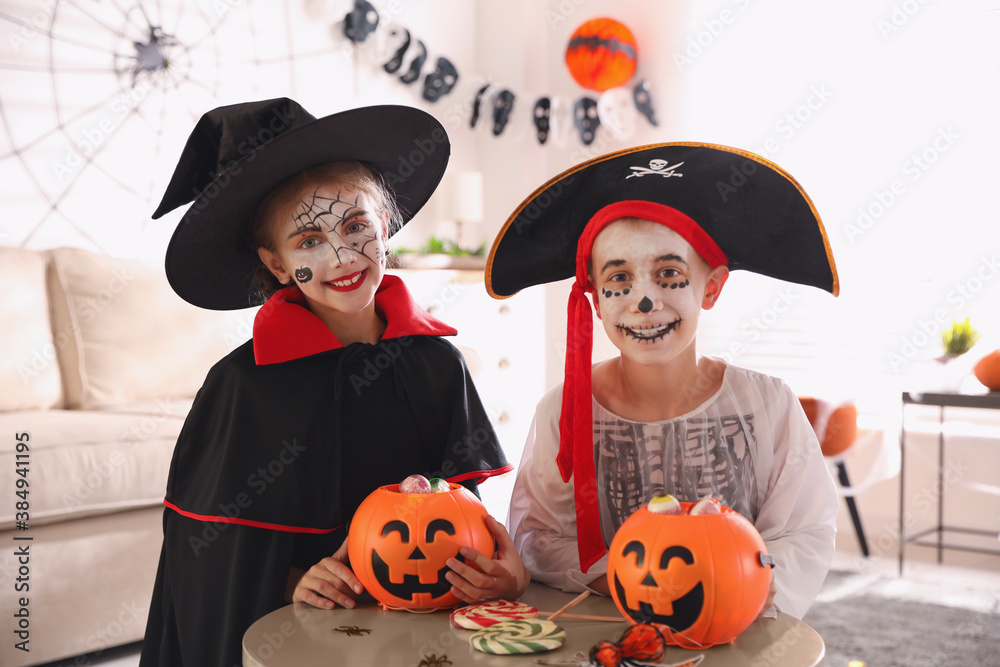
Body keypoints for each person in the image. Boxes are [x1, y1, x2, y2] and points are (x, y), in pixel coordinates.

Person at [140, 98, 528, 667]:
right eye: (308, 242)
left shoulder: (438, 363)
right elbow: (207, 553)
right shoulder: (241, 386)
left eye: (355, 227)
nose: (342, 255)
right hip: (313, 633)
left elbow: (466, 508)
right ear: (276, 265)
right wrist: (294, 578)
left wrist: (504, 567)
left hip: (423, 629)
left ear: (386, 227)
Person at [487, 143, 840, 622]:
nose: (644, 302)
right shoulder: (562, 411)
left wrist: (722, 583)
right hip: (606, 629)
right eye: (619, 279)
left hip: (735, 625)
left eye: (668, 273)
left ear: (711, 286)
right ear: (593, 296)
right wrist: (643, 582)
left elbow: (803, 531)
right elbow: (539, 535)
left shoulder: (768, 404)